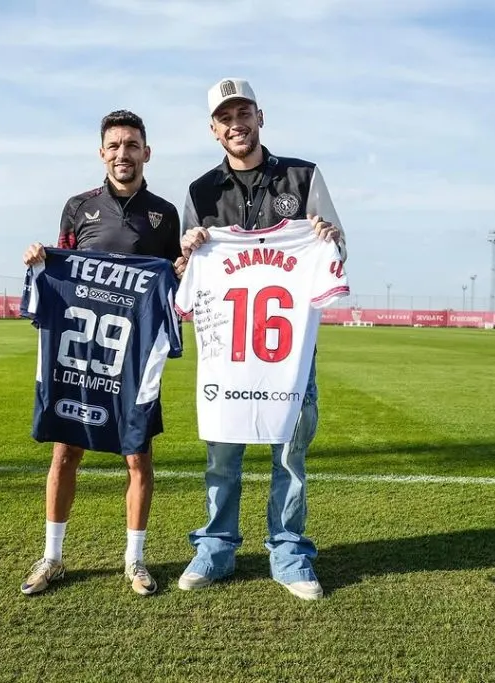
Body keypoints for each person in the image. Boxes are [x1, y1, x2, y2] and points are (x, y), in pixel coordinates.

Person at [177, 78, 348, 600]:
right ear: (213, 129)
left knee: (289, 454)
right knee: (221, 456)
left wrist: (328, 241)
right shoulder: (201, 192)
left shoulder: (303, 176)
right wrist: (188, 255)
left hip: (289, 356)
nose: (236, 124)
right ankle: (216, 547)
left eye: (243, 112)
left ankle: (290, 552)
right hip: (226, 356)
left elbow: (337, 251)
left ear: (260, 115)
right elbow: (185, 273)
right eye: (225, 117)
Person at [19, 109, 182, 597]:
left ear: (146, 153)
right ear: (101, 153)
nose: (122, 154)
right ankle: (52, 556)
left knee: (139, 457)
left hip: (131, 359)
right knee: (65, 451)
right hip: (81, 352)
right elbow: (61, 263)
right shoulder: (78, 206)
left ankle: (135, 560)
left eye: (131, 145)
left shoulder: (164, 213)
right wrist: (40, 260)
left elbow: (172, 278)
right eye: (114, 145)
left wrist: (182, 264)